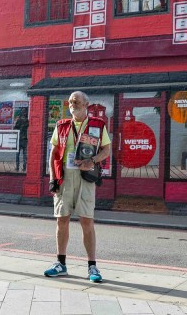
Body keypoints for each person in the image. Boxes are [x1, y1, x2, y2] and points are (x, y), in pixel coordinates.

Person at [44, 91, 111, 283]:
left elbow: (106, 150)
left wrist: (93, 160)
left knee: (86, 222)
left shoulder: (98, 125)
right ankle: (60, 264)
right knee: (61, 220)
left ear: (87, 104)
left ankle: (92, 266)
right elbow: (54, 153)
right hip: (64, 178)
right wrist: (53, 178)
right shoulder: (62, 125)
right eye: (71, 102)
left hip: (86, 178)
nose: (72, 104)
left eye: (77, 101)